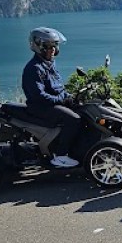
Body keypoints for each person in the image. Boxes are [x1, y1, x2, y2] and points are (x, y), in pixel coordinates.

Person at [21, 27, 82, 168]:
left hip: (51, 103)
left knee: (82, 109)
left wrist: (70, 97)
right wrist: (61, 100)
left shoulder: (49, 63)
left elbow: (58, 88)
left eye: (55, 45)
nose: (53, 49)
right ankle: (60, 155)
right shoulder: (34, 68)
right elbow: (39, 96)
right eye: (48, 46)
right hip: (40, 107)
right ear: (39, 47)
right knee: (73, 119)